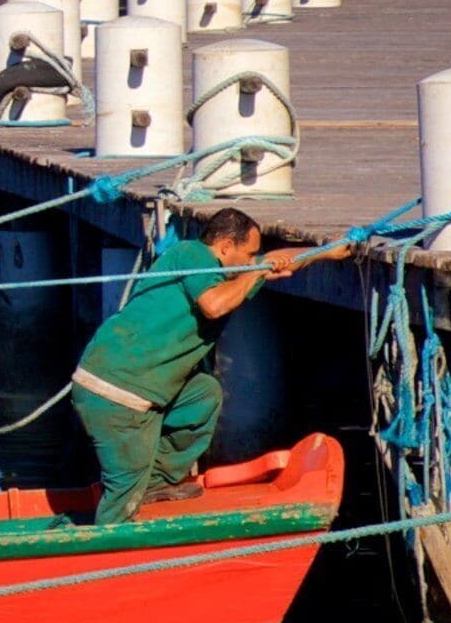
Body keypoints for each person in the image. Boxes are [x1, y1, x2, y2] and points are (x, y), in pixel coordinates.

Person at [70, 206, 337, 523]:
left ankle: (154, 483)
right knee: (123, 487)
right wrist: (255, 272)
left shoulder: (229, 278)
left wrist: (331, 251)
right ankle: (109, 549)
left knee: (204, 394)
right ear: (225, 247)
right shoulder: (193, 255)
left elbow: (280, 258)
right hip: (114, 391)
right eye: (249, 254)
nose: (253, 261)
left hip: (138, 388)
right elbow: (212, 306)